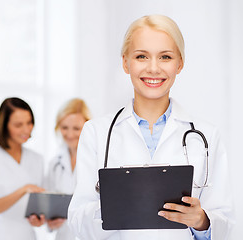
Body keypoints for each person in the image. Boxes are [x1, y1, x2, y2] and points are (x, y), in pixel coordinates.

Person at [68, 15, 234, 240]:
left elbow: (226, 224)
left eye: (165, 57)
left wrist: (201, 220)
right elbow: (78, 225)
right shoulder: (96, 133)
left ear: (179, 64)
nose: (153, 68)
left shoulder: (206, 136)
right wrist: (112, 205)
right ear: (126, 62)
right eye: (141, 56)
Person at [0, 97, 46, 240]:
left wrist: (39, 220)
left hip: (27, 235)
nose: (26, 129)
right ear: (4, 125)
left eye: (29, 122)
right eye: (18, 125)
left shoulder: (37, 159)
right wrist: (23, 189)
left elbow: (38, 206)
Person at [46, 98, 91, 240]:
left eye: (76, 128)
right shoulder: (55, 164)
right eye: (64, 127)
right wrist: (50, 221)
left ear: (87, 127)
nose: (70, 134)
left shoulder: (97, 160)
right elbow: (48, 207)